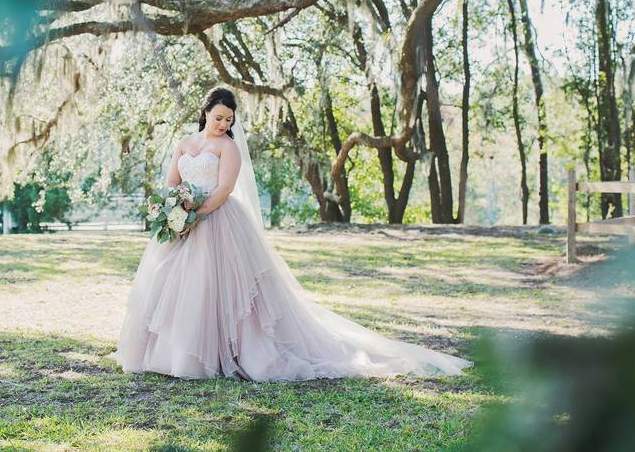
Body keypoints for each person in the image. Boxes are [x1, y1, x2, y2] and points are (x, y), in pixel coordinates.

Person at [114, 86, 472, 381]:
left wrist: (196, 214)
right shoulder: (184, 144)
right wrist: (175, 211)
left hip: (218, 222)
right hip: (183, 222)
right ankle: (172, 354)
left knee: (221, 290)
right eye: (219, 117)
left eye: (229, 119)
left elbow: (224, 189)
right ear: (205, 111)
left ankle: (228, 354)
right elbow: (171, 183)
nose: (224, 124)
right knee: (177, 290)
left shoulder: (229, 147)